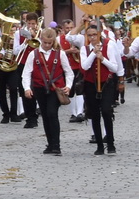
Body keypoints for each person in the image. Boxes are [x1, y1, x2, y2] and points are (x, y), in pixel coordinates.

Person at [22, 27, 74, 156]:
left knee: (52, 113)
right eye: (44, 42)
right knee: (45, 115)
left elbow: (69, 72)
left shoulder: (60, 54)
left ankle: (56, 145)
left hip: (56, 89)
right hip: (39, 88)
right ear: (41, 40)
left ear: (53, 42)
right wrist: (27, 88)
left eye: (49, 43)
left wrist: (68, 86)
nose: (46, 45)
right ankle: (50, 144)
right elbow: (26, 73)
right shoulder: (33, 54)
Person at [79, 19, 122, 155]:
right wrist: (93, 53)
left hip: (106, 84)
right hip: (90, 84)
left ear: (100, 34)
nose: (92, 38)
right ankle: (98, 144)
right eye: (89, 35)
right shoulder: (84, 49)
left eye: (94, 35)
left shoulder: (109, 45)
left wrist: (102, 58)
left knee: (106, 111)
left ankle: (110, 142)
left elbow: (115, 67)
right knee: (94, 114)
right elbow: (84, 67)